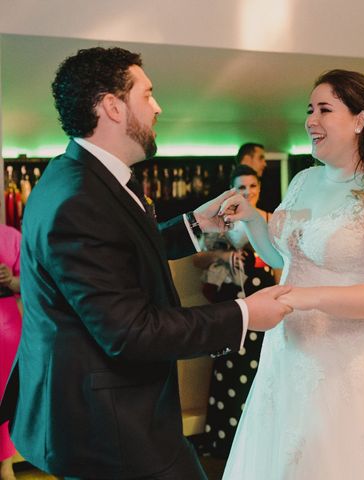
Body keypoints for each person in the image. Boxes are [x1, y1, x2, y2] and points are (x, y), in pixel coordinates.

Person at [0, 47, 292, 480]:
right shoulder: (79, 201)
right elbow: (130, 331)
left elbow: (116, 252)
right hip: (109, 427)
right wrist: (246, 313)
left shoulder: (81, 177)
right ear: (113, 107)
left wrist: (193, 225)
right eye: (148, 94)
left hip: (114, 411)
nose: (158, 107)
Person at [218, 69, 364, 479]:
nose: (311, 120)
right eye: (310, 110)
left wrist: (305, 298)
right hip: (287, 355)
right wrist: (255, 219)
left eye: (324, 110)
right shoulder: (303, 179)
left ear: (360, 120)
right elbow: (282, 255)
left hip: (344, 363)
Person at [191, 165, 276, 457]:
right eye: (241, 188)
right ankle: (225, 442)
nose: (247, 192)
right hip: (230, 305)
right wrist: (225, 256)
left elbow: (281, 264)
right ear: (231, 191)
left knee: (260, 370)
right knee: (228, 369)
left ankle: (259, 442)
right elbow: (198, 260)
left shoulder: (270, 219)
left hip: (263, 302)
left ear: (259, 188)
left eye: (252, 186)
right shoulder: (222, 222)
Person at [0, 220, 21, 480]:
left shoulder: (10, 237)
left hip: (6, 329)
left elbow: (34, 280)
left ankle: (5, 465)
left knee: (5, 395)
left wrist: (11, 280)